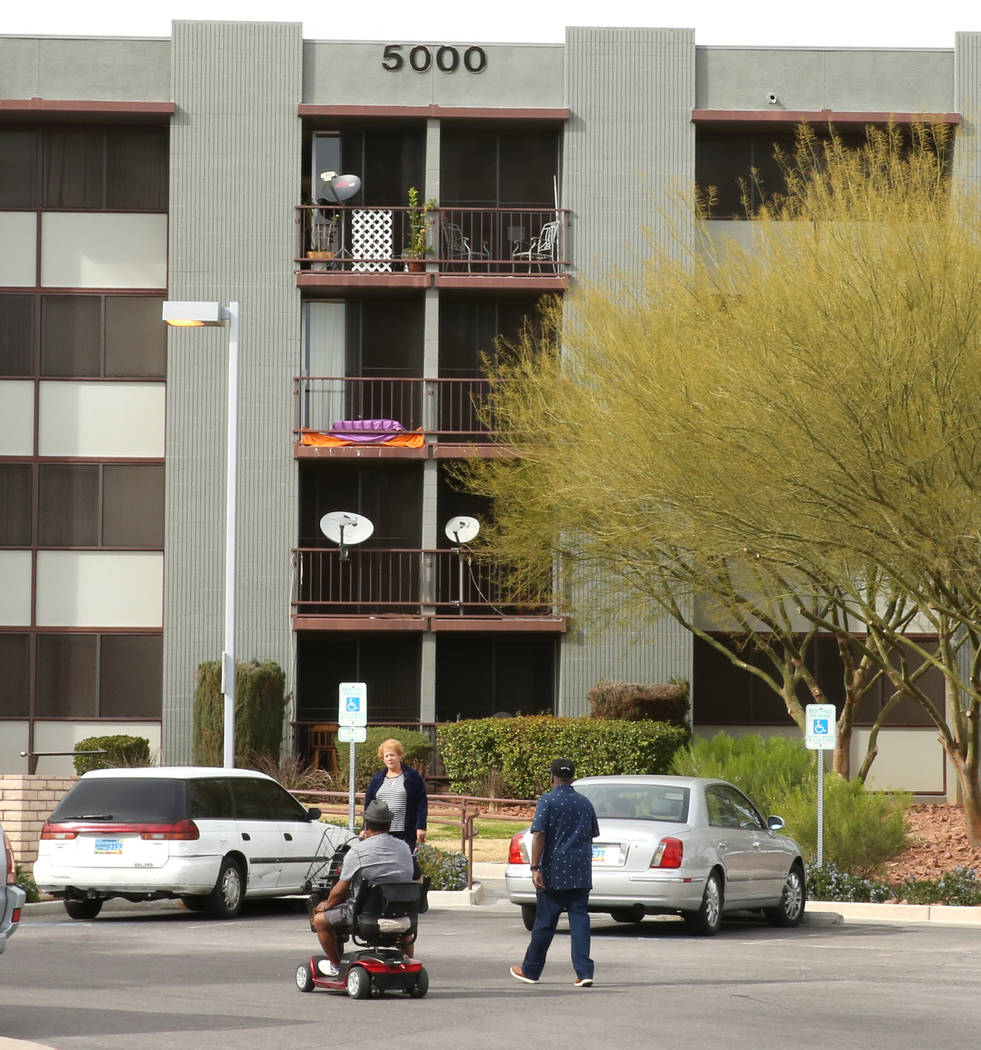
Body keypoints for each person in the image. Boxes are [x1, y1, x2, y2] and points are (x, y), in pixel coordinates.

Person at [510, 757, 600, 988]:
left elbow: (539, 834)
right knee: (579, 921)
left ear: (552, 777)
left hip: (554, 871)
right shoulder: (585, 803)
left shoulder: (547, 801)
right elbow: (592, 833)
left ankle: (531, 970)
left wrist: (535, 867)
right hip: (580, 872)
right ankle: (584, 972)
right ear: (572, 778)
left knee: (544, 924)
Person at [311, 799, 417, 977]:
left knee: (320, 920)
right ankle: (406, 968)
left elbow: (340, 891)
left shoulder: (358, 851)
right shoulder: (405, 849)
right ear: (389, 824)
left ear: (366, 824)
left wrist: (326, 906)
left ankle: (337, 966)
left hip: (364, 916)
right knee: (403, 927)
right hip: (403, 915)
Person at [363, 737, 428, 851]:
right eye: (386, 756)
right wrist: (366, 827)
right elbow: (368, 805)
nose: (389, 759)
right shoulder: (377, 779)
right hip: (380, 832)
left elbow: (422, 803)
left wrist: (421, 827)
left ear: (399, 756)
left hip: (404, 832)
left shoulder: (411, 776)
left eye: (392, 755)